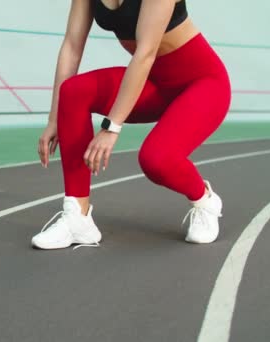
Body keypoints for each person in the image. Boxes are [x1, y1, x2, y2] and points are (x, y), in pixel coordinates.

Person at [32, 0, 231, 249]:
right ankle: (77, 218)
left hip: (201, 84)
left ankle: (205, 200)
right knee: (73, 92)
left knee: (155, 160)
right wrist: (54, 119)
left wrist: (111, 127)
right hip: (154, 85)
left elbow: (145, 53)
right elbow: (72, 47)